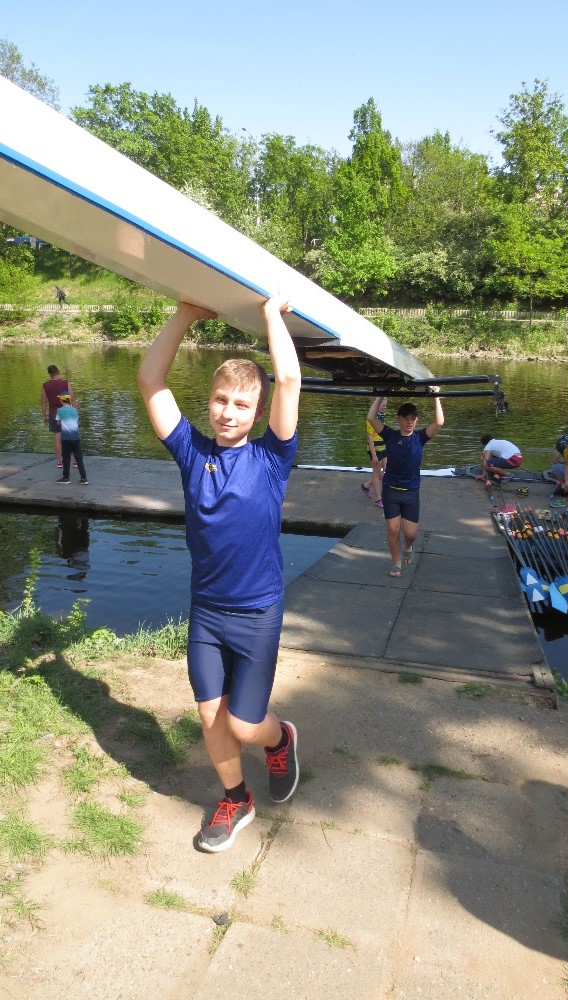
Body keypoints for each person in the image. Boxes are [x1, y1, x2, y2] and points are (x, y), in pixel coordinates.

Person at [137, 297, 301, 854]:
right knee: (211, 715)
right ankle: (236, 798)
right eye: (221, 400)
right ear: (209, 401)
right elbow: (151, 380)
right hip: (207, 611)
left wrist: (272, 316)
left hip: (257, 613)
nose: (229, 412)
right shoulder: (191, 452)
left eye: (242, 404)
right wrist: (185, 314)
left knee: (244, 725)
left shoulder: (272, 460)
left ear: (258, 412)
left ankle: (280, 740)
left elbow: (289, 380)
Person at [367, 392, 444, 577]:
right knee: (393, 529)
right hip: (391, 491)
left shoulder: (420, 437)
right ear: (399, 420)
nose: (410, 422)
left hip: (410, 493)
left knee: (410, 534)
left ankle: (408, 546)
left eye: (413, 419)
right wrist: (380, 395)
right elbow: (371, 418)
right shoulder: (390, 435)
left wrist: (436, 396)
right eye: (406, 418)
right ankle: (396, 564)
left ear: (416, 420)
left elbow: (439, 422)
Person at [41, 364, 77, 468]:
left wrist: (44, 416)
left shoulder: (45, 385)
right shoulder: (66, 383)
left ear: (49, 374)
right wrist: (75, 413)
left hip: (53, 412)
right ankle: (75, 461)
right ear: (58, 372)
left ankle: (59, 461)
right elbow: (73, 400)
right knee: (71, 435)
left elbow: (43, 402)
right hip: (67, 412)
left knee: (57, 436)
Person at [55, 394, 89, 485]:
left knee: (66, 458)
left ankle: (66, 478)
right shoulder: (74, 410)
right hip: (76, 437)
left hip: (66, 438)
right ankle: (84, 478)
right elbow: (77, 421)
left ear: (61, 401)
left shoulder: (59, 410)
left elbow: (58, 422)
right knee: (79, 458)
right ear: (69, 401)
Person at [360, 396, 388, 508]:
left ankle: (366, 485)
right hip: (375, 448)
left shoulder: (381, 415)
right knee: (376, 473)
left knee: (387, 471)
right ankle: (378, 499)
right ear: (376, 404)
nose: (385, 407)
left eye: (386, 405)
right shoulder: (371, 418)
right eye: (383, 405)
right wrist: (373, 454)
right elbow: (370, 437)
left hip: (383, 446)